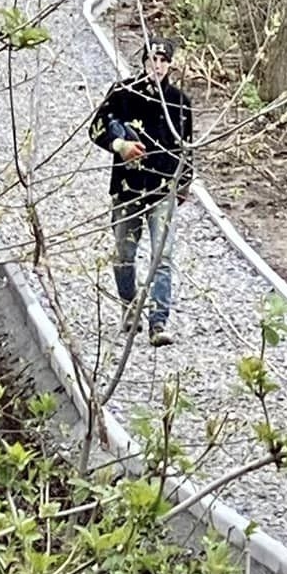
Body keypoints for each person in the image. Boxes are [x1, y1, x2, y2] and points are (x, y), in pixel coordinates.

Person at [88, 38, 193, 346]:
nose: (157, 65)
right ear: (144, 61)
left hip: (163, 189)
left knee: (163, 256)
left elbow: (186, 146)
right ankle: (130, 306)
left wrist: (184, 182)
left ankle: (158, 322)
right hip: (127, 188)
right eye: (152, 59)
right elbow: (96, 127)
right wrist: (119, 145)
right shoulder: (123, 93)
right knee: (124, 253)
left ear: (170, 64)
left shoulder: (180, 101)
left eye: (163, 59)